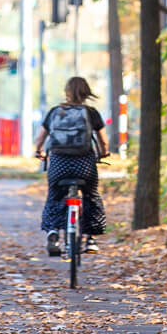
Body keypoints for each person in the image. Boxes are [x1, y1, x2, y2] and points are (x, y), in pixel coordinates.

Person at [32, 76, 108, 256]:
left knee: (54, 195)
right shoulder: (91, 112)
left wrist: (39, 151)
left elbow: (40, 137)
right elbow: (103, 141)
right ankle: (91, 239)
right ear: (86, 93)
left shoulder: (55, 112)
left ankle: (52, 231)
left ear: (66, 92)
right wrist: (103, 153)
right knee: (91, 195)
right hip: (85, 165)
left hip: (59, 164)